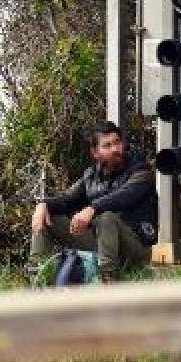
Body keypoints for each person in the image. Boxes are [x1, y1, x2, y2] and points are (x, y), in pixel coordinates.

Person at [30, 121, 157, 282]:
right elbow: (67, 199)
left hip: (136, 248)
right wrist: (43, 204)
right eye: (107, 145)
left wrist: (93, 208)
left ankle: (107, 279)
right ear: (95, 153)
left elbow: (126, 195)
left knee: (106, 217)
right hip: (102, 245)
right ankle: (37, 275)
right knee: (48, 218)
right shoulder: (91, 176)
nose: (115, 149)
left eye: (117, 142)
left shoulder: (141, 170)